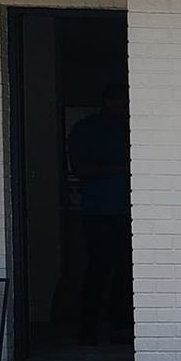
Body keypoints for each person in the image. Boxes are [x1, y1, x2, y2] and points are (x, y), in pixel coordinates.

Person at [66, 83, 131, 343]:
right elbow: (80, 169)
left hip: (127, 212)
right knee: (98, 269)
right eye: (121, 104)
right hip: (98, 211)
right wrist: (120, 169)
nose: (125, 109)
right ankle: (88, 330)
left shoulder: (129, 126)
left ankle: (121, 326)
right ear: (107, 101)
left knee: (126, 270)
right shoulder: (86, 129)